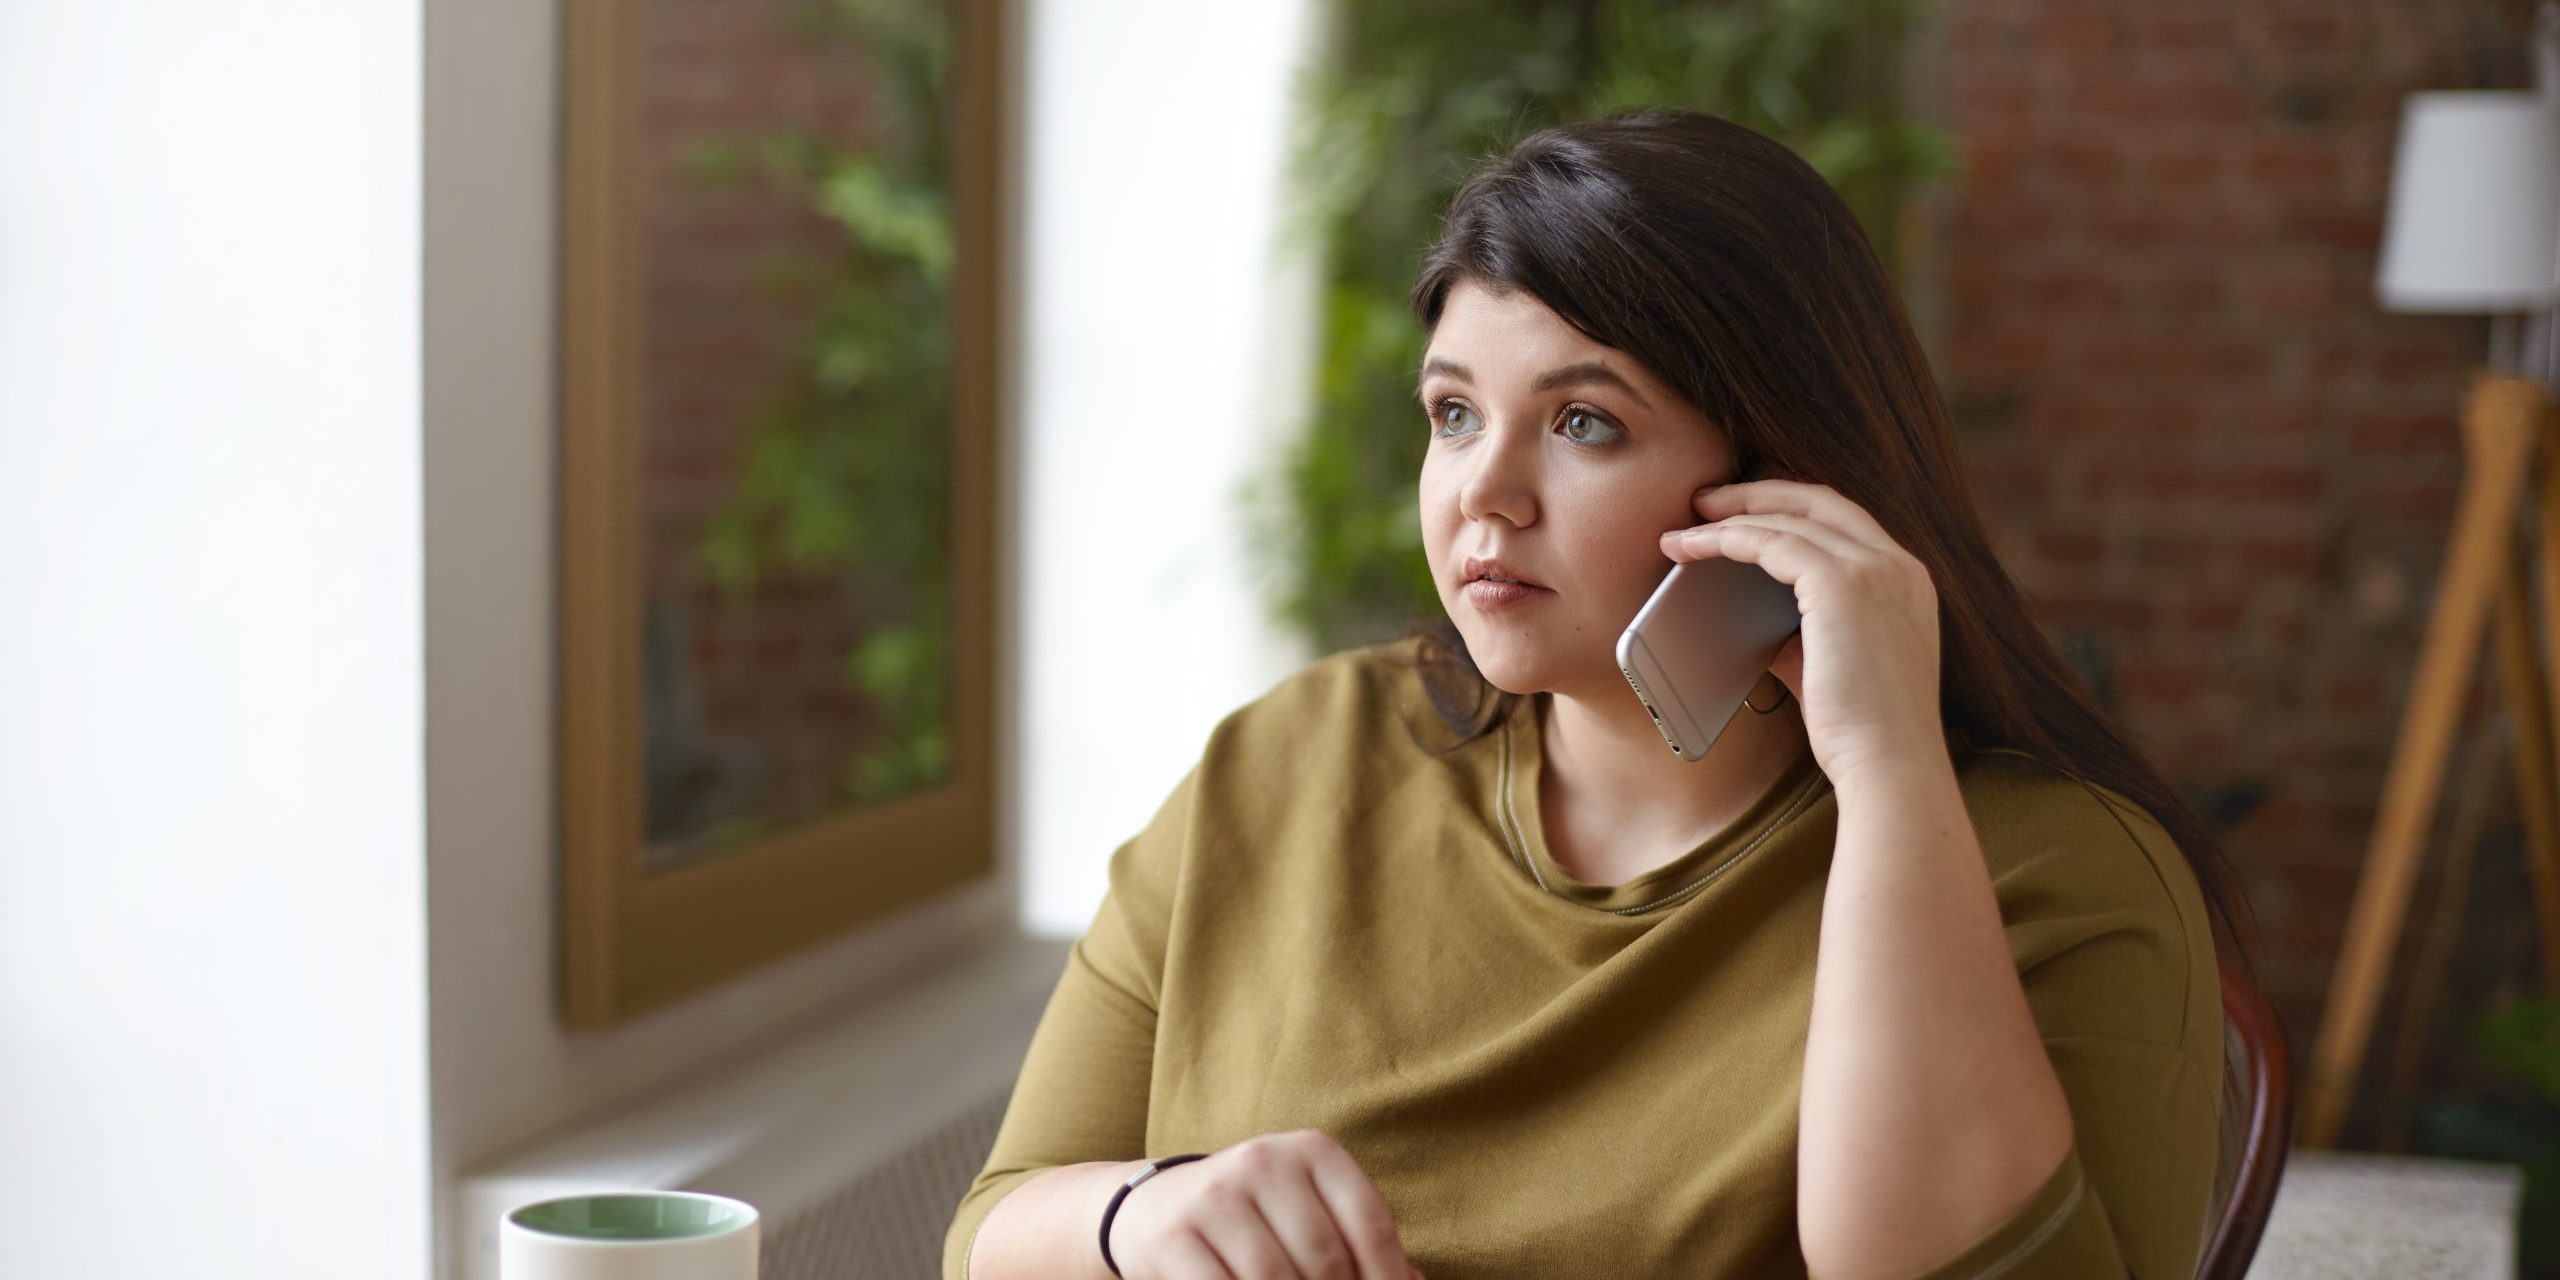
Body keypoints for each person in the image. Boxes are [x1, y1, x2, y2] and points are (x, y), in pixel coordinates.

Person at [943, 107, 2264, 1280]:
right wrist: (1140, 1221)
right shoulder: (1291, 758)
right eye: (1454, 414)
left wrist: (1889, 771)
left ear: (1787, 487)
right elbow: (995, 1230)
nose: (1483, 494)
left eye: (1586, 424)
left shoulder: (2062, 874)